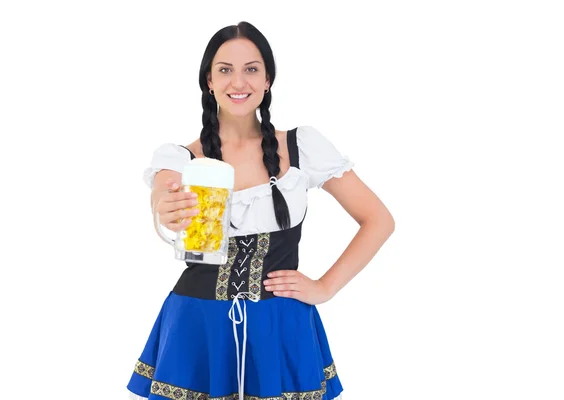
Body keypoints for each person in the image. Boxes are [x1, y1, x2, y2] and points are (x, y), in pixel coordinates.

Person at [126, 21, 395, 400]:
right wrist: (164, 209)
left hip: (281, 324)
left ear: (268, 79)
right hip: (198, 325)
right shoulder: (180, 159)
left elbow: (378, 220)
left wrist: (325, 287)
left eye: (251, 69)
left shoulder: (303, 148)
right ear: (209, 80)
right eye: (225, 70)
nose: (239, 82)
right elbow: (162, 196)